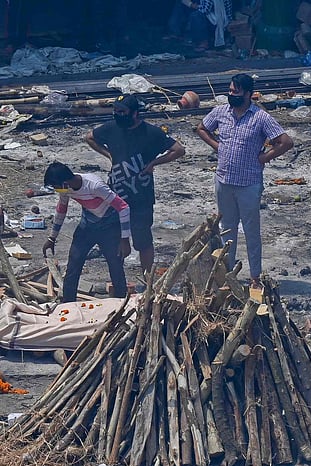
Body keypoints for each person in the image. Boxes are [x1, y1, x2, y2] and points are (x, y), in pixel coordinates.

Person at [196, 73, 294, 288]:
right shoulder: (221, 112)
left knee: (251, 230)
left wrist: (265, 157)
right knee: (227, 229)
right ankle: (228, 274)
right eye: (230, 91)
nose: (232, 95)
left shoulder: (260, 117)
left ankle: (255, 277)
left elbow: (285, 142)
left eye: (236, 92)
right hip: (224, 180)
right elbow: (202, 128)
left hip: (249, 183)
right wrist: (216, 145)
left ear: (249, 94)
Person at [85, 95, 185, 283]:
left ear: (134, 113)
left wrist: (155, 162)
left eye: (122, 112)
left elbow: (179, 150)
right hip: (116, 194)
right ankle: (119, 282)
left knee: (143, 242)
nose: (118, 115)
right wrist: (109, 155)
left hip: (141, 197)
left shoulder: (151, 132)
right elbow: (90, 137)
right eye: (116, 111)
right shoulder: (112, 128)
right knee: (115, 240)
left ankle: (148, 282)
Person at [41, 162, 131, 304]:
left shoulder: (94, 186)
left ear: (65, 182)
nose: (57, 190)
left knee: (115, 266)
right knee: (73, 264)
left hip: (110, 227)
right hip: (87, 227)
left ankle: (121, 305)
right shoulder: (65, 189)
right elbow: (61, 210)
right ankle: (68, 305)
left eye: (56, 186)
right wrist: (52, 238)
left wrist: (124, 239)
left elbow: (123, 207)